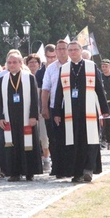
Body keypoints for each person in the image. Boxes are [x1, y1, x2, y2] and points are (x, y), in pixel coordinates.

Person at [52, 41, 109, 183]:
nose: (72, 52)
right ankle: (76, 172)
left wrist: (105, 108)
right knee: (74, 142)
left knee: (90, 140)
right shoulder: (64, 69)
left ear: (80, 50)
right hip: (71, 112)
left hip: (88, 110)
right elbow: (59, 91)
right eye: (69, 50)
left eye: (75, 50)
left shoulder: (91, 66)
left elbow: (99, 89)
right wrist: (57, 112)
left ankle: (88, 169)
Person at [0, 50, 42, 182]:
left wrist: (34, 116)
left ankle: (29, 172)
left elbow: (34, 98)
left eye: (15, 62)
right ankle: (14, 172)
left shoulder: (29, 77)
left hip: (26, 117)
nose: (12, 65)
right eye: (9, 62)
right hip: (10, 117)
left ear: (21, 63)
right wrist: (0, 117)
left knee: (28, 144)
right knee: (12, 145)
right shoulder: (3, 79)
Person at [41, 40, 69, 177]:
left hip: (71, 108)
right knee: (54, 139)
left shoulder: (74, 66)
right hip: (54, 108)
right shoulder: (51, 68)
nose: (61, 51)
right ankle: (57, 167)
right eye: (59, 49)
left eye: (64, 48)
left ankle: (69, 166)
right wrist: (44, 107)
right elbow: (45, 89)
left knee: (69, 138)